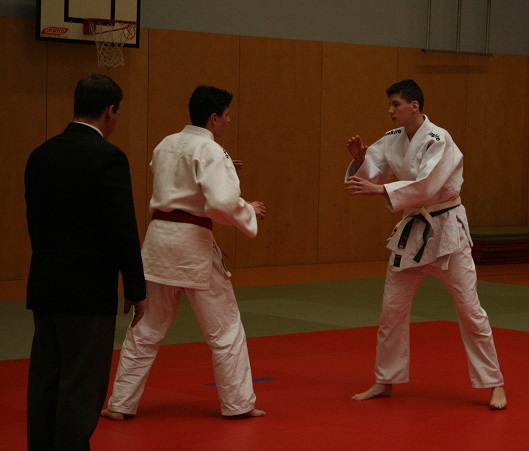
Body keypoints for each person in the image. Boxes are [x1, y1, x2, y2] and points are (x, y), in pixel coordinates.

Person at [101, 85, 266, 420]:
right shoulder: (210, 149)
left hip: (159, 243)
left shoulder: (165, 144)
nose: (228, 121)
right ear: (213, 117)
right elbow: (220, 204)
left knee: (146, 327)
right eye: (226, 115)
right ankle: (237, 404)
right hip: (192, 244)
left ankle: (120, 403)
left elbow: (176, 180)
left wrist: (222, 170)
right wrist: (248, 208)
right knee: (224, 327)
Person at [344, 79, 507, 410]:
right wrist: (361, 161)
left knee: (470, 311)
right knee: (392, 310)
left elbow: (428, 185)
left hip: (447, 232)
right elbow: (371, 174)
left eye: (396, 104)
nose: (390, 111)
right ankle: (385, 379)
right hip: (413, 232)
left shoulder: (439, 139)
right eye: (390, 105)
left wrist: (383, 190)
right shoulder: (393, 138)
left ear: (414, 105)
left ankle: (495, 383)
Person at [24, 74, 147, 450]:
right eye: (118, 113)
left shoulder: (41, 155)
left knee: (46, 380)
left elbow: (34, 223)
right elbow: (122, 228)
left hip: (45, 286)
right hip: (88, 293)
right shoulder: (109, 158)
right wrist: (136, 288)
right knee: (82, 385)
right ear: (110, 111)